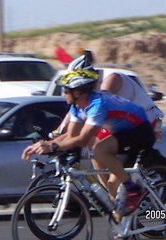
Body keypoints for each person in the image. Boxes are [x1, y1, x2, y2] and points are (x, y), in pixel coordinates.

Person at [22, 69, 156, 216]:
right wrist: (44, 144)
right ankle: (122, 232)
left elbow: (82, 139)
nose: (63, 94)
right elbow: (71, 135)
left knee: (99, 149)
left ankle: (133, 189)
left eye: (66, 91)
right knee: (112, 192)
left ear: (78, 92)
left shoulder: (97, 105)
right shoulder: (77, 107)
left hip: (141, 131)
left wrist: (52, 146)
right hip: (122, 132)